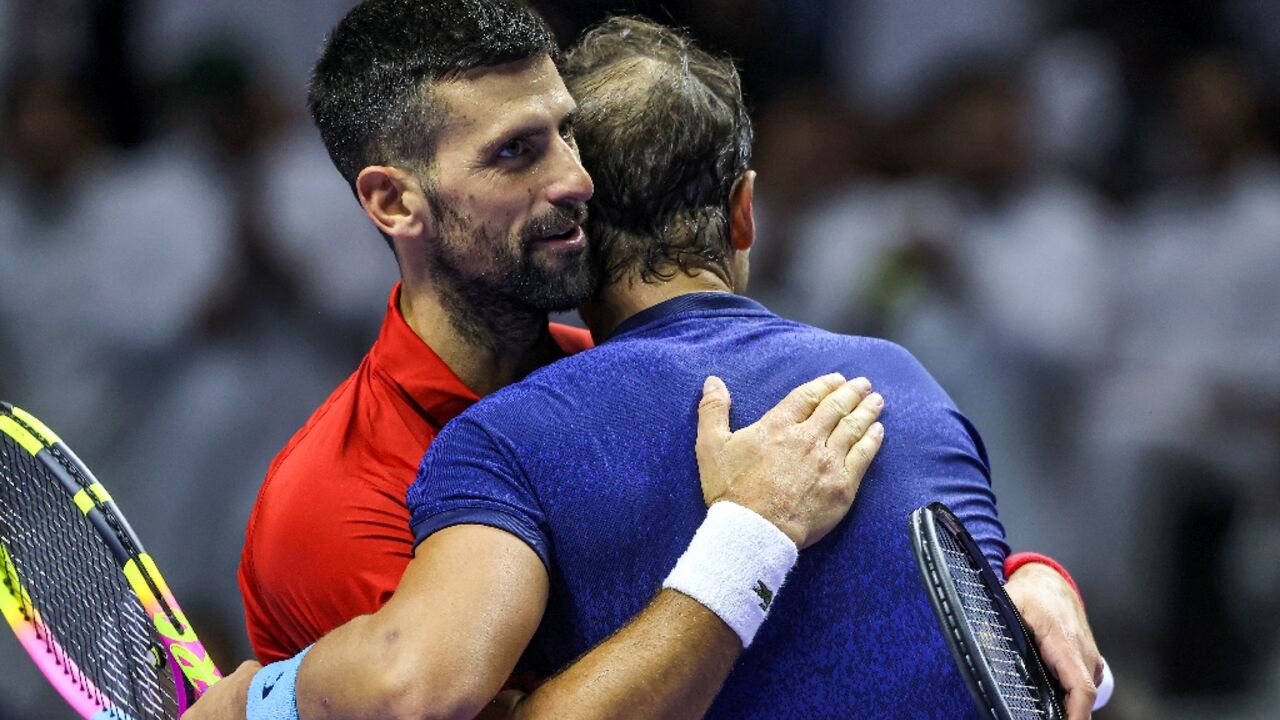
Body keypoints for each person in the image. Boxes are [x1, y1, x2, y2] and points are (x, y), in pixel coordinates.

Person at [195, 9, 1104, 720]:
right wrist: (751, 533)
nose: (576, 181)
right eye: (517, 152)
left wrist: (1018, 582)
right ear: (395, 203)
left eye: (568, 134)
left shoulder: (603, 383)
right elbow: (425, 687)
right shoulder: (331, 502)